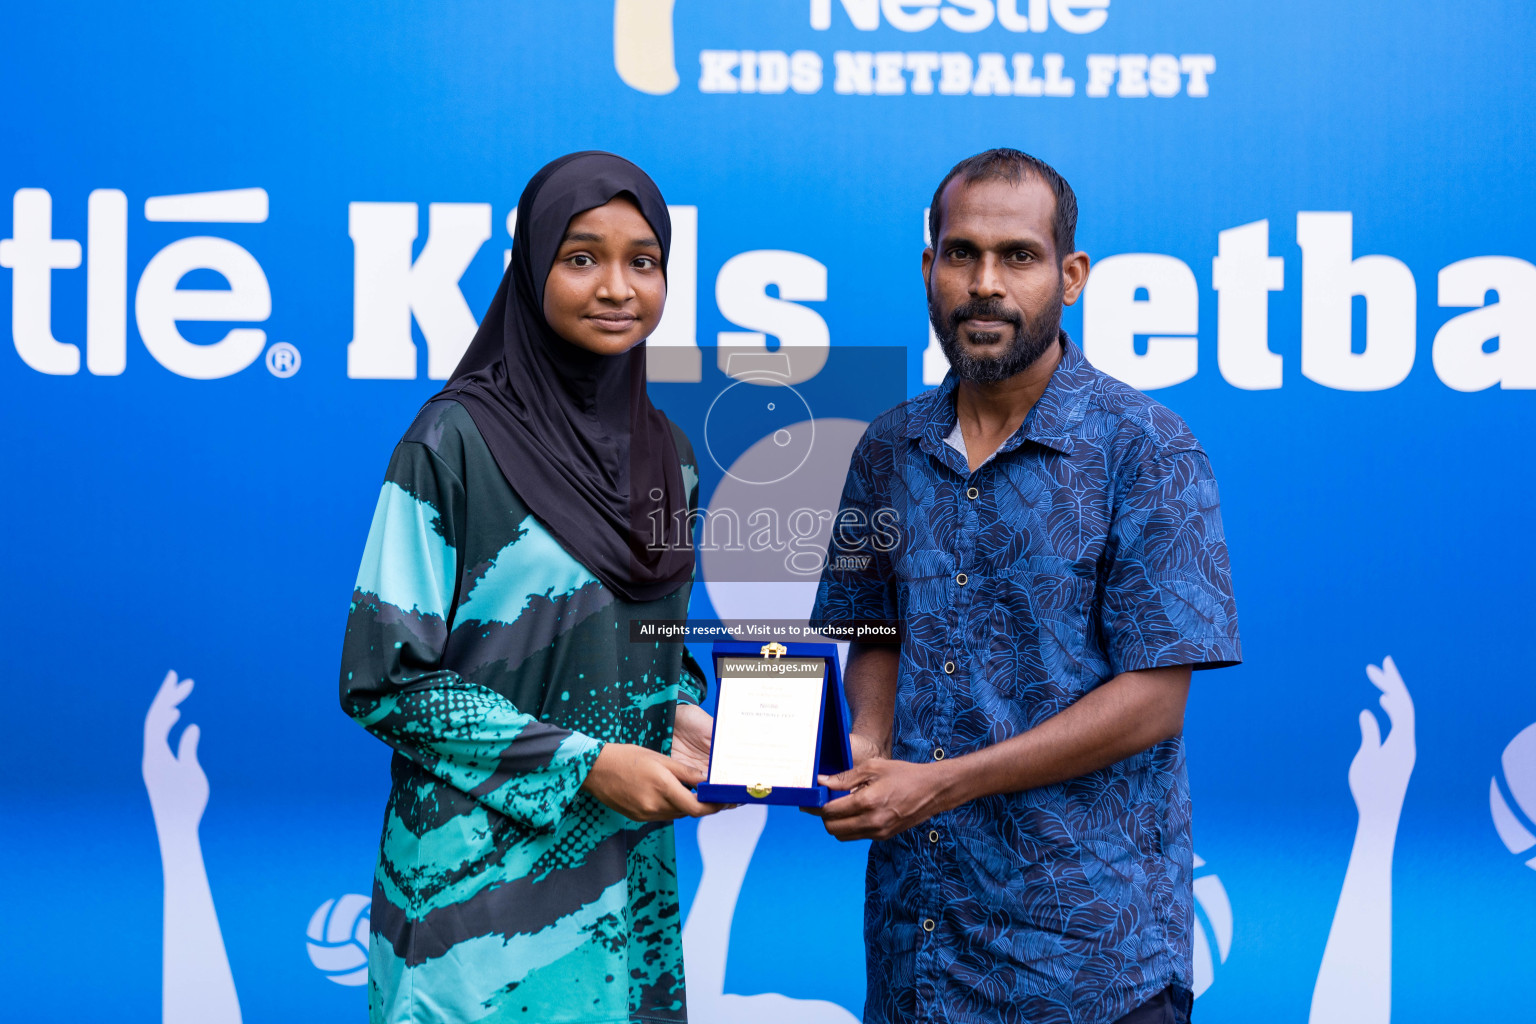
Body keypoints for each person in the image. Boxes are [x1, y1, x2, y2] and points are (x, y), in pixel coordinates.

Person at [808, 148, 1242, 1024]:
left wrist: (942, 781)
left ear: (1070, 275)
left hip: (1089, 972)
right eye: (961, 254)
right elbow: (875, 632)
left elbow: (1155, 700)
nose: (985, 283)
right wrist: (871, 741)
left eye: (1018, 256)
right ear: (929, 270)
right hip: (918, 954)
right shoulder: (887, 449)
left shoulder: (1148, 448)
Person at [339, 151, 723, 1024]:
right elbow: (383, 680)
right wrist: (586, 764)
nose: (617, 287)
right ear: (532, 269)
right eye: (582, 257)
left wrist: (681, 709)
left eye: (644, 261)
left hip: (628, 903)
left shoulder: (671, 455)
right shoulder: (453, 441)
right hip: (474, 910)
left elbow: (639, 646)